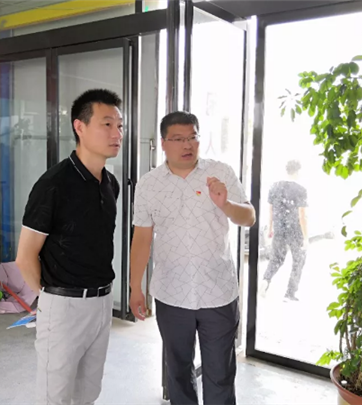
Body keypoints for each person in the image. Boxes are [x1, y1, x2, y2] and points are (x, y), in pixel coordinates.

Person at [129, 111, 255, 405]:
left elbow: (248, 217)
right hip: (171, 294)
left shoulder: (220, 172)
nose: (187, 145)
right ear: (163, 143)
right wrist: (136, 287)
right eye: (178, 139)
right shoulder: (149, 184)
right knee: (177, 370)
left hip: (218, 293)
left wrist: (226, 204)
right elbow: (142, 238)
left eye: (192, 137)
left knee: (220, 373)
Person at [15, 89, 123, 405]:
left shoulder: (110, 184)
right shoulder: (53, 185)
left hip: (102, 302)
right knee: (56, 396)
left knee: (88, 393)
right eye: (107, 124)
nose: (117, 134)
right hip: (64, 306)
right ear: (80, 127)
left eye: (120, 126)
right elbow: (25, 257)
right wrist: (51, 298)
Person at [262, 159, 308, 301]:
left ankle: (265, 281)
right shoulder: (300, 190)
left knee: (276, 259)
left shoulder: (274, 187)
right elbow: (302, 215)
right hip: (295, 230)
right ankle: (290, 293)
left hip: (279, 229)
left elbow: (271, 210)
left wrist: (270, 228)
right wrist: (306, 237)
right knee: (298, 261)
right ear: (297, 171)